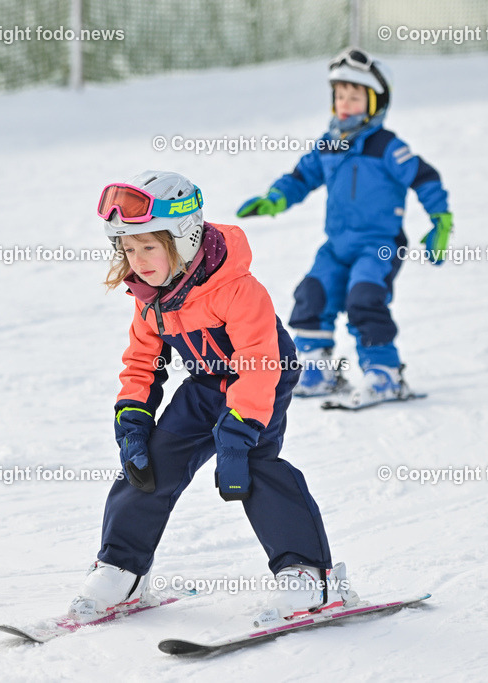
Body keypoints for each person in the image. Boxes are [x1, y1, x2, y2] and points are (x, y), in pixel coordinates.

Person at [69, 170, 353, 623]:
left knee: (253, 464)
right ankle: (123, 567)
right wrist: (134, 419)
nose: (137, 260)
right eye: (127, 248)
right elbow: (142, 362)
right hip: (205, 385)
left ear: (183, 240)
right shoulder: (151, 298)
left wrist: (240, 429)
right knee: (150, 466)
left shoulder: (237, 288)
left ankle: (309, 576)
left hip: (262, 379)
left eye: (148, 246)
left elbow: (260, 361)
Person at [237, 48, 453, 406]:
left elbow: (425, 178)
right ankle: (318, 370)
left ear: (375, 103)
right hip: (337, 245)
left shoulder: (387, 147)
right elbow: (302, 176)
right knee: (312, 294)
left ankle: (385, 375)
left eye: (355, 96)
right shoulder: (329, 144)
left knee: (364, 300)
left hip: (379, 245)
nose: (345, 103)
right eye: (340, 95)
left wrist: (440, 220)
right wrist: (276, 198)